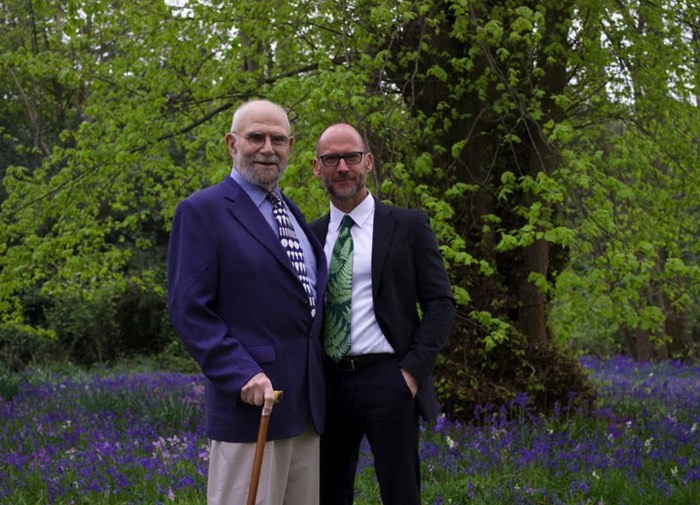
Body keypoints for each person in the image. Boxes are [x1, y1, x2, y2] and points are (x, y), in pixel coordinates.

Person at [167, 99, 327, 505]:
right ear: (231, 144)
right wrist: (241, 374)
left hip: (305, 412)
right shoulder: (202, 211)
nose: (267, 148)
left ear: (291, 145)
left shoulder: (293, 214)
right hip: (251, 408)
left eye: (278, 139)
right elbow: (189, 309)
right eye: (256, 137)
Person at [310, 122, 456, 505]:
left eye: (351, 157)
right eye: (331, 159)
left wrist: (410, 373)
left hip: (390, 379)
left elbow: (441, 303)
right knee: (329, 492)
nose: (342, 167)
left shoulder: (408, 226)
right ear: (316, 167)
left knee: (401, 493)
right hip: (329, 384)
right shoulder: (310, 236)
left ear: (369, 162)